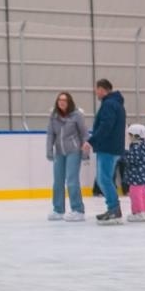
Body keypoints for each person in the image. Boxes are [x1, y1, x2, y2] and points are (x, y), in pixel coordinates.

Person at [88, 78, 126, 225]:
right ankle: (113, 208)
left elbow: (106, 126)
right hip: (112, 147)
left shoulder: (109, 104)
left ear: (102, 89)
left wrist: (91, 140)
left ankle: (114, 210)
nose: (96, 92)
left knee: (104, 179)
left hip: (108, 147)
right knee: (104, 179)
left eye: (96, 89)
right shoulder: (115, 103)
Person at [46, 91, 89, 222]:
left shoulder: (77, 115)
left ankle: (78, 209)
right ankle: (58, 209)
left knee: (72, 181)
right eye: (59, 100)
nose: (62, 102)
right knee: (58, 182)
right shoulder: (53, 116)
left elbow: (84, 134)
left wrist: (85, 152)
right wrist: (49, 150)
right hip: (59, 152)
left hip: (74, 151)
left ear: (69, 102)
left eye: (64, 100)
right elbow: (50, 134)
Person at [122, 124, 145, 223]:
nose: (129, 137)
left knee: (135, 195)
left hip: (137, 177)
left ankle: (138, 212)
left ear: (135, 136)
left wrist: (124, 155)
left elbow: (131, 160)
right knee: (143, 195)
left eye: (130, 135)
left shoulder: (136, 147)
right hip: (144, 176)